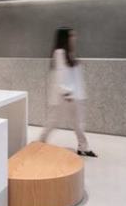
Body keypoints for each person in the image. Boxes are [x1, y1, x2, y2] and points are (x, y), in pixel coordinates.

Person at [39, 27, 97, 157]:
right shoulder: (60, 53)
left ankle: (83, 147)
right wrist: (66, 92)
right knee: (55, 121)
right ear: (65, 38)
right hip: (67, 96)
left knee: (77, 123)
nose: (74, 38)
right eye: (71, 36)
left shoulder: (69, 53)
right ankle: (41, 142)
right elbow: (60, 74)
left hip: (75, 95)